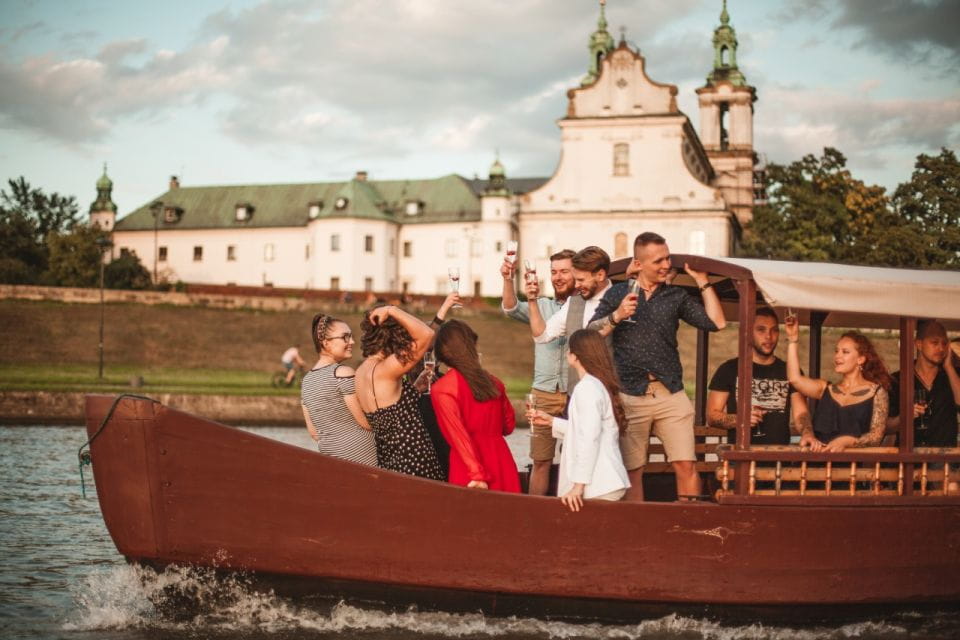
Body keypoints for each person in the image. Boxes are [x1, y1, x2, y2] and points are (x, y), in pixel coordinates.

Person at [588, 232, 726, 502]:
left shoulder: (676, 296)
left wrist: (703, 282)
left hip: (670, 393)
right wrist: (616, 316)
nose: (666, 265)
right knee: (633, 470)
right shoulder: (617, 293)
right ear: (638, 264)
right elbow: (589, 336)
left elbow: (717, 322)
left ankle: (689, 523)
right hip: (630, 394)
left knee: (686, 464)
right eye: (658, 261)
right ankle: (636, 527)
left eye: (667, 258)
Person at [501, 248, 576, 496]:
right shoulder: (541, 305)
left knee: (576, 459)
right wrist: (508, 279)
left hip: (575, 393)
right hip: (543, 394)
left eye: (565, 271)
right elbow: (510, 308)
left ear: (578, 273)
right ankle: (536, 516)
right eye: (554, 272)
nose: (558, 277)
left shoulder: (586, 307)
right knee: (541, 461)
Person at [528, 330, 630, 511]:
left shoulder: (587, 389)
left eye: (569, 350)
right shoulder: (596, 384)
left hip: (597, 485)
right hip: (602, 482)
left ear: (575, 356)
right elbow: (587, 429)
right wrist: (553, 422)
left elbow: (588, 439)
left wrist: (578, 486)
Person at [430, 319, 520, 492]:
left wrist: (477, 474)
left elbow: (458, 435)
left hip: (469, 468)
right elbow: (508, 427)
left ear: (442, 353)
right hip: (502, 461)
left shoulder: (443, 389)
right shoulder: (494, 382)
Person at [356, 305, 443, 480]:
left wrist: (414, 389)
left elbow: (388, 410)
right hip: (414, 461)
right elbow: (426, 335)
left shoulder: (361, 371)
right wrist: (391, 309)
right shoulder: (386, 369)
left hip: (390, 461)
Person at [707, 307, 811, 445]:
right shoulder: (728, 369)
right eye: (761, 330)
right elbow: (712, 416)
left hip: (780, 459)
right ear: (749, 332)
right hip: (740, 459)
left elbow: (801, 414)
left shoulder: (790, 371)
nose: (768, 336)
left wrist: (808, 433)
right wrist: (740, 419)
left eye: (774, 330)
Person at [784, 317, 891, 452]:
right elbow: (794, 379)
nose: (837, 356)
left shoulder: (877, 392)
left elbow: (875, 437)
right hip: (816, 466)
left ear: (860, 359)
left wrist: (847, 441)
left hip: (851, 469)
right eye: (836, 351)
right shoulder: (826, 389)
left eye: (845, 352)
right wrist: (793, 340)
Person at [528, 246, 613, 392]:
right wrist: (531, 300)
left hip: (612, 393)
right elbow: (542, 335)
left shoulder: (622, 299)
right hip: (576, 392)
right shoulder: (573, 302)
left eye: (580, 280)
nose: (577, 285)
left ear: (600, 275)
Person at [300, 313, 378, 466]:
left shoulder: (306, 381)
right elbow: (366, 423)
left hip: (332, 459)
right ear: (326, 343)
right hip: (362, 458)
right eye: (345, 337)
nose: (352, 342)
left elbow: (314, 432)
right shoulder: (342, 373)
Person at [887, 320, 960, 447]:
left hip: (944, 460)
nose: (941, 348)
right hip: (909, 458)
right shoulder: (898, 379)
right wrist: (904, 417)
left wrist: (948, 367)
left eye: (944, 343)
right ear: (919, 344)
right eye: (934, 343)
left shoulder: (953, 375)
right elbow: (886, 427)